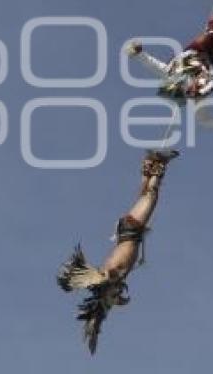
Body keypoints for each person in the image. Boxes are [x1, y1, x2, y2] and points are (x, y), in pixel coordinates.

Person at [57, 149, 179, 354]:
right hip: (129, 231)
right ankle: (150, 167)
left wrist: (98, 287)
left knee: (150, 197)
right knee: (146, 197)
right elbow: (104, 307)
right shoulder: (114, 280)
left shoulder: (108, 275)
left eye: (114, 295)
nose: (119, 293)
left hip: (130, 231)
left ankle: (156, 165)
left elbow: (102, 295)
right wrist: (96, 325)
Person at [127, 10, 213, 128]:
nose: (194, 89)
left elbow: (153, 64)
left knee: (211, 36)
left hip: (194, 51)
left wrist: (138, 53)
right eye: (196, 90)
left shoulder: (172, 76)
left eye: (192, 90)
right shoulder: (199, 97)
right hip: (208, 61)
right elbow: (204, 121)